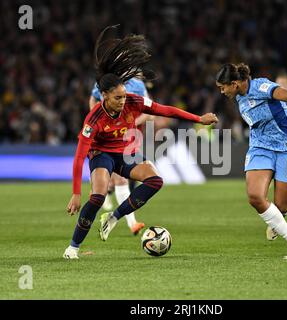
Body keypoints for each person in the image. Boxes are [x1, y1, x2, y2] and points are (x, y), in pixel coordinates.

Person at [63, 26, 218, 259]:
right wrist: (76, 193)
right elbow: (78, 157)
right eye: (117, 98)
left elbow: (164, 110)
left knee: (155, 180)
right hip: (101, 154)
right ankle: (72, 248)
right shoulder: (93, 119)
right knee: (98, 196)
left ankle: (113, 217)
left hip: (125, 152)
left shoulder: (133, 101)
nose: (122, 101)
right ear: (104, 96)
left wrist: (198, 118)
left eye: (124, 96)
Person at [215, 63, 287, 259]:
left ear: (234, 84)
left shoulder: (261, 87)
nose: (222, 91)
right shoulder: (238, 96)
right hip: (261, 147)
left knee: (281, 206)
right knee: (255, 196)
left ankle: (278, 219)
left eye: (222, 87)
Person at [89, 78, 151, 235]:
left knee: (132, 177)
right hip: (111, 138)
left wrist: (130, 121)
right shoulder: (105, 83)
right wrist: (97, 123)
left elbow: (149, 112)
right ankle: (132, 223)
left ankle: (106, 191)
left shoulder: (138, 85)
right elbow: (93, 101)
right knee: (121, 179)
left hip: (132, 137)